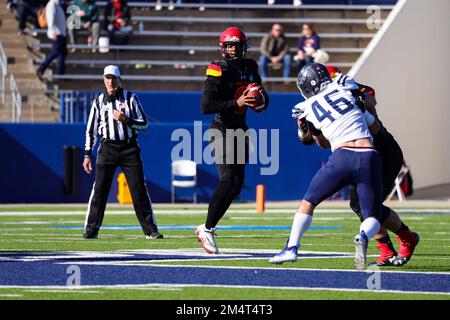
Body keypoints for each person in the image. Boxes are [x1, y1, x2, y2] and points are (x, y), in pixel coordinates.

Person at [269, 63, 385, 270]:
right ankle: (363, 235)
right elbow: (375, 125)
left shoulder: (305, 108)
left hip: (342, 156)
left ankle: (291, 247)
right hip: (368, 155)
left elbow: (318, 142)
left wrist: (303, 130)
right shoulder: (344, 85)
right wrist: (363, 111)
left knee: (308, 202)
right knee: (372, 217)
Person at [324, 66, 420, 266]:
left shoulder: (359, 91)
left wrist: (358, 103)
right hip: (358, 155)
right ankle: (388, 249)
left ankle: (405, 238)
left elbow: (373, 117)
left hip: (382, 153)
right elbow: (321, 142)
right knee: (359, 205)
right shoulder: (322, 103)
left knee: (368, 205)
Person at [197, 27, 269, 254]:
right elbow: (206, 106)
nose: (232, 50)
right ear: (222, 48)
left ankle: (207, 227)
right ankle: (206, 229)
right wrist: (236, 103)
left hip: (240, 130)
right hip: (221, 129)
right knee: (228, 180)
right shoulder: (218, 68)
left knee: (237, 183)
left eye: (235, 45)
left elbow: (262, 97)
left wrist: (260, 101)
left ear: (243, 46)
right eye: (228, 46)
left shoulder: (250, 67)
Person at [83, 65, 162, 240]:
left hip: (129, 148)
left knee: (138, 189)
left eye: (113, 78)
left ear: (119, 80)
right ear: (103, 79)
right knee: (100, 190)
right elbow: (91, 130)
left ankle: (150, 230)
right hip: (107, 148)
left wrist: (126, 120)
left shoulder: (131, 98)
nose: (110, 81)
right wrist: (87, 154)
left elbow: (144, 124)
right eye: (107, 78)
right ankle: (91, 229)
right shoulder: (98, 102)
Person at [36, 0, 67, 79]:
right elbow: (50, 19)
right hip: (56, 34)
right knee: (55, 52)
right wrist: (52, 31)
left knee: (62, 54)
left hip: (61, 33)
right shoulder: (52, 4)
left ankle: (60, 75)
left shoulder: (58, 4)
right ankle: (41, 69)